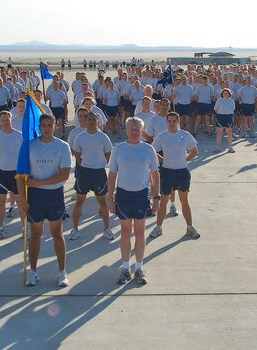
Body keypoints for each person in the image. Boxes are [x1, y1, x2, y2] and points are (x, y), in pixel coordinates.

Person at [17, 114, 71, 287]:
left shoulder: (62, 146)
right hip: (35, 197)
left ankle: (62, 272)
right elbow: (20, 175)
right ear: (39, 127)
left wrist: (39, 182)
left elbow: (64, 174)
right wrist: (22, 200)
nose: (47, 128)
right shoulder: (29, 146)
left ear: (55, 126)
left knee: (57, 234)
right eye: (44, 125)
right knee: (35, 235)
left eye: (50, 125)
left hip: (54, 195)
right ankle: (33, 271)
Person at [107, 117, 160, 285]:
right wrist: (110, 197)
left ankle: (139, 268)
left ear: (142, 131)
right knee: (124, 232)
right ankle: (125, 268)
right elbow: (112, 175)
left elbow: (155, 175)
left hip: (141, 196)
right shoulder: (119, 149)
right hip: (123, 195)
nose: (134, 131)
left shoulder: (148, 149)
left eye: (137, 128)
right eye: (131, 128)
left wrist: (156, 197)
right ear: (126, 130)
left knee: (140, 233)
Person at [149, 112, 200, 239]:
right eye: (169, 121)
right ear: (166, 122)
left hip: (182, 172)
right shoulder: (162, 136)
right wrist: (163, 161)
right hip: (167, 173)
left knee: (184, 201)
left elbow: (195, 151)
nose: (171, 123)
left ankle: (189, 227)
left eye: (174, 121)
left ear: (178, 122)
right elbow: (152, 151)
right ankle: (158, 227)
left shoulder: (185, 135)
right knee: (164, 201)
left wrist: (185, 160)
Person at [71, 111, 114, 240]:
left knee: (103, 203)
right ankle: (74, 229)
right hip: (84, 172)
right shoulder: (80, 137)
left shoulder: (103, 137)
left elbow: (108, 154)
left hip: (99, 173)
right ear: (84, 120)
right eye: (88, 119)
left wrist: (99, 165)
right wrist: (84, 165)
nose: (91, 122)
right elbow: (77, 155)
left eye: (94, 120)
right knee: (79, 201)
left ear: (98, 121)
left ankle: (107, 229)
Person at [0, 111, 23, 241]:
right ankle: (0, 229)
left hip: (17, 174)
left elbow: (25, 153)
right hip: (2, 173)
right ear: (0, 122)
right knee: (1, 202)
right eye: (3, 120)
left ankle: (25, 228)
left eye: (7, 119)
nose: (5, 122)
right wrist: (0, 164)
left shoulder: (19, 136)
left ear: (11, 120)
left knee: (20, 201)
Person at [214, 88, 236, 153]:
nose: (225, 94)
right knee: (219, 133)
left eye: (227, 93)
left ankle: (230, 147)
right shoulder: (219, 101)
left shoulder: (231, 101)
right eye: (224, 93)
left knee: (229, 133)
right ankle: (217, 147)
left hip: (228, 117)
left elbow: (233, 109)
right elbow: (216, 109)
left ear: (229, 94)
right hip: (220, 117)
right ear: (222, 94)